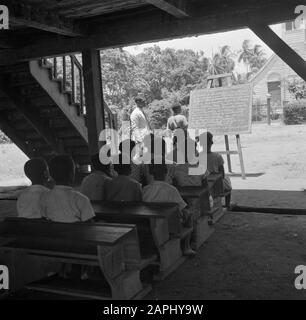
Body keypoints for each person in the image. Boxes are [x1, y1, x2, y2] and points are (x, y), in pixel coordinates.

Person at [143, 163, 195, 256]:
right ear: (166, 171)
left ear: (150, 172)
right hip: (171, 227)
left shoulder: (145, 190)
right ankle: (186, 247)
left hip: (151, 226)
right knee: (189, 212)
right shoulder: (171, 190)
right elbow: (183, 207)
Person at [41, 155, 95, 223]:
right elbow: (89, 225)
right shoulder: (82, 199)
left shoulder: (44, 197)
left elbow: (44, 218)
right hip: (77, 233)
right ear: (72, 174)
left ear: (51, 175)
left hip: (52, 233)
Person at [206, 132, 232, 208]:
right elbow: (222, 174)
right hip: (216, 185)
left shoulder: (197, 156)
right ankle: (227, 205)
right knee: (228, 184)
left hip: (203, 183)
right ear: (211, 143)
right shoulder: (217, 156)